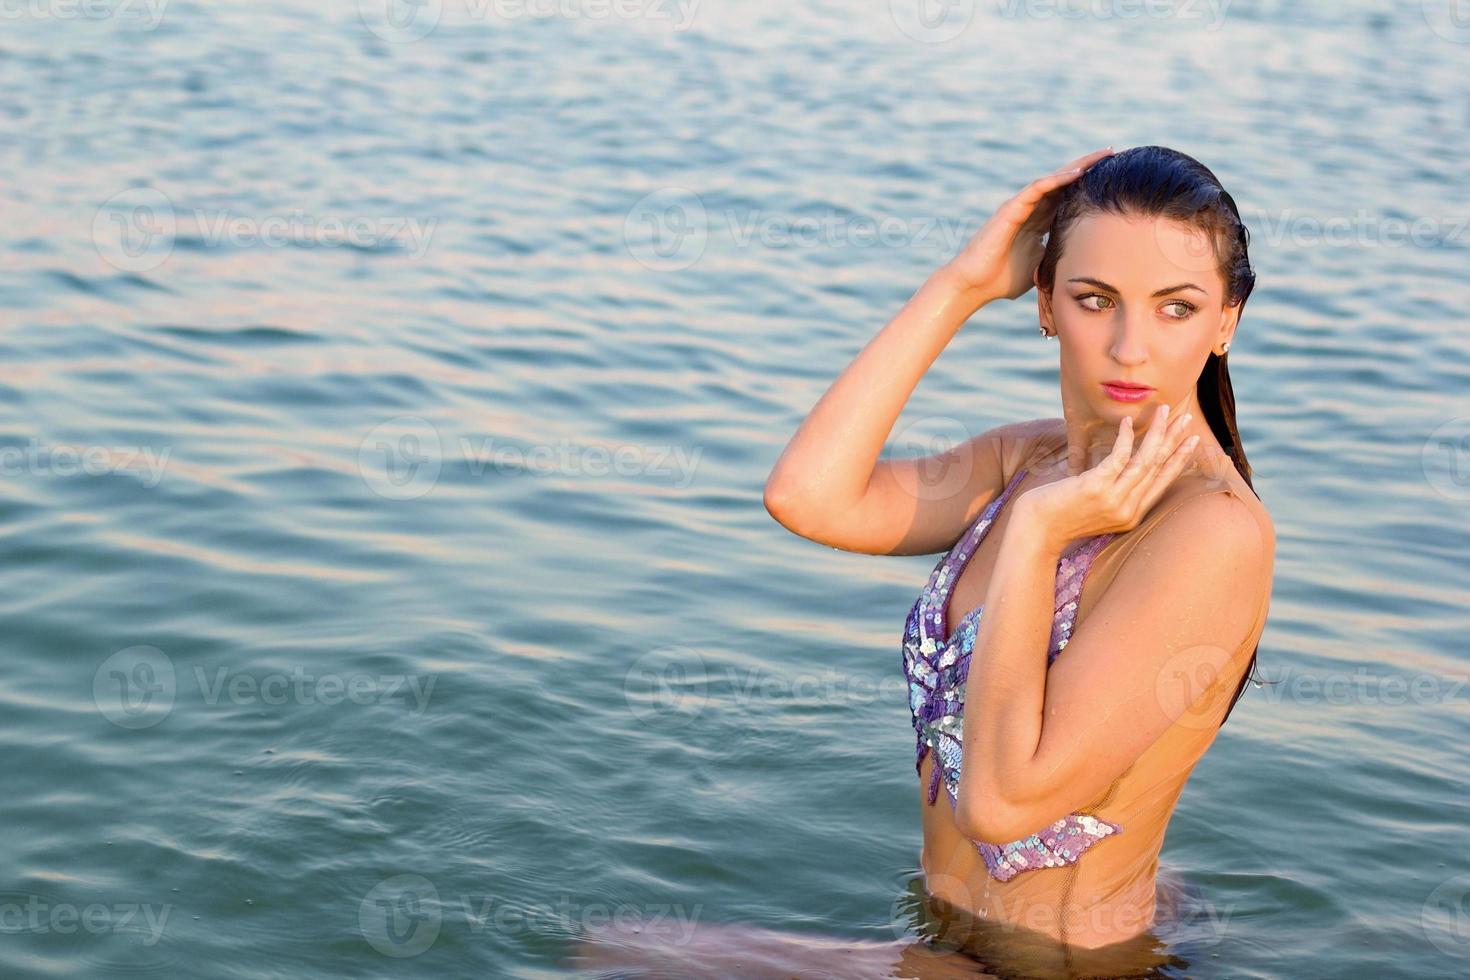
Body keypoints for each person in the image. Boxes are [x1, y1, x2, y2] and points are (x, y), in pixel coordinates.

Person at [760, 144, 1277, 967]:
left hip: (1050, 966)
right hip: (948, 936)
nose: (1129, 347)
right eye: (1094, 299)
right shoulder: (1028, 461)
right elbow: (809, 497)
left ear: (1226, 322)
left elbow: (1002, 805)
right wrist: (961, 287)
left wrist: (1038, 534)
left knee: (613, 950)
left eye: (1175, 307)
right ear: (1044, 302)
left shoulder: (1210, 532)